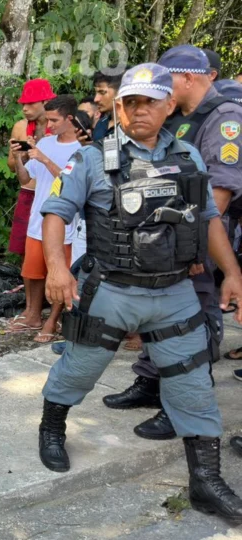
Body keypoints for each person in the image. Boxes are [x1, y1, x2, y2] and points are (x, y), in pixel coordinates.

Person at [36, 64, 242, 523]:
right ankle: (51, 428)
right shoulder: (91, 159)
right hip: (112, 290)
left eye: (150, 101)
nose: (139, 110)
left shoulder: (188, 155)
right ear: (121, 107)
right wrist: (56, 269)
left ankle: (205, 481)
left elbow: (209, 219)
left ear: (170, 105)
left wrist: (231, 272)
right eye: (130, 102)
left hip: (175, 291)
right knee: (79, 369)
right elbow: (55, 212)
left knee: (193, 384)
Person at [104, 45, 242, 441]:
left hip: (199, 237)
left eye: (164, 81)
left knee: (194, 315)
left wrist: (194, 250)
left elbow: (217, 196)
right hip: (164, 235)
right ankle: (151, 382)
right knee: (157, 307)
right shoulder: (184, 119)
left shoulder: (225, 118)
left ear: (185, 78)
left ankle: (181, 404)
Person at [9, 95, 81, 342]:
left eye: (54, 120)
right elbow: (25, 179)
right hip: (37, 221)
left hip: (65, 225)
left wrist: (45, 159)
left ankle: (53, 320)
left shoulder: (83, 149)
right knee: (32, 273)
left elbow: (73, 184)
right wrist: (20, 156)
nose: (48, 126)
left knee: (61, 275)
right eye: (48, 120)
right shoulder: (46, 144)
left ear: (69, 119)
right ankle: (33, 315)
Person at [7, 79, 56, 259]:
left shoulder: (59, 126)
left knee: (55, 244)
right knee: (25, 247)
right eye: (23, 104)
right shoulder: (20, 127)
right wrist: (23, 155)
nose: (25, 108)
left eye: (30, 103)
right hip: (29, 190)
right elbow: (11, 166)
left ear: (45, 102)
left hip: (53, 192)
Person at [90, 70, 124, 143]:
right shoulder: (101, 123)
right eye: (96, 93)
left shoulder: (133, 127)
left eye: (102, 92)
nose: (96, 99)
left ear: (120, 92)